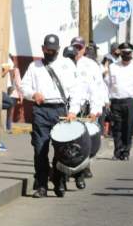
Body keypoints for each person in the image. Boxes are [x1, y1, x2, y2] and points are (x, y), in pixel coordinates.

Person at [20, 34, 88, 198]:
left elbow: (77, 90)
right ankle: (42, 185)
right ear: (43, 48)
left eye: (53, 50)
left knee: (61, 151)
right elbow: (24, 86)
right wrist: (32, 94)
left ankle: (59, 181)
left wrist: (73, 111)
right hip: (41, 110)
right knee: (40, 149)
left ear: (58, 50)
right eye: (47, 49)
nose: (50, 52)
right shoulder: (34, 66)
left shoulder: (67, 65)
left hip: (60, 111)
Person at [69, 36, 108, 185]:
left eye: (80, 47)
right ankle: (72, 168)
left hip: (86, 107)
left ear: (84, 49)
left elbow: (97, 87)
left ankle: (85, 165)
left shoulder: (91, 65)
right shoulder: (65, 63)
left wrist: (96, 108)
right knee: (71, 139)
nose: (77, 50)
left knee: (88, 139)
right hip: (69, 107)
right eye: (75, 47)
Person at [105, 42, 133, 160]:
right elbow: (107, 85)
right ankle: (117, 152)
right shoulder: (113, 67)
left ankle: (126, 152)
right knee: (116, 128)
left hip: (130, 102)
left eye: (128, 53)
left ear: (131, 54)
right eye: (124, 53)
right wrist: (106, 100)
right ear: (120, 53)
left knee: (127, 128)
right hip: (116, 101)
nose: (126, 55)